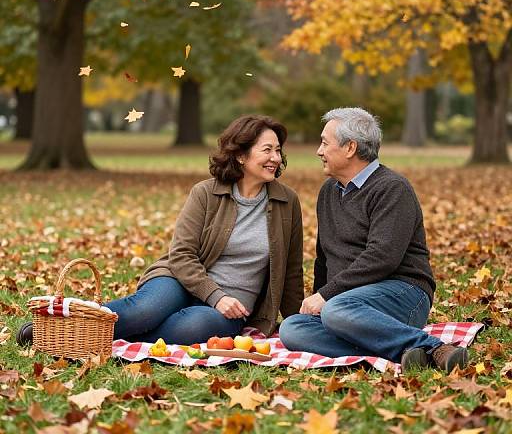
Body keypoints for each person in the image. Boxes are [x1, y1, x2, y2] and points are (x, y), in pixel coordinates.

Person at [17, 115, 303, 346]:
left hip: (232, 307)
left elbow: (290, 270)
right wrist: (215, 294)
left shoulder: (286, 202)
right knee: (145, 311)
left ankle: (90, 338)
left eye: (278, 150)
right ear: (241, 155)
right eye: (267, 150)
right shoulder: (205, 193)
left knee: (192, 328)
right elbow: (181, 254)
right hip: (181, 280)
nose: (276, 158)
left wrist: (295, 325)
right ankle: (54, 330)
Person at [279, 107, 469, 373]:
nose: (318, 151)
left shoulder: (392, 188)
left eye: (324, 142)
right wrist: (317, 299)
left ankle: (432, 348)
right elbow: (325, 257)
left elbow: (383, 256)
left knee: (335, 309)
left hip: (402, 293)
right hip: (348, 305)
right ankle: (404, 350)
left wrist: (327, 296)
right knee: (292, 329)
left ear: (350, 148)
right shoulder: (328, 192)